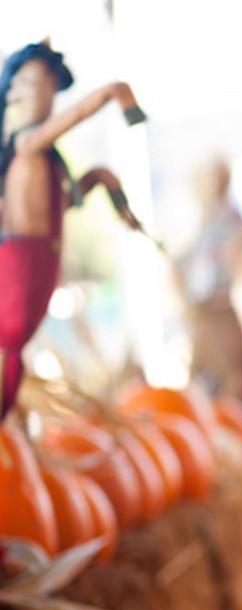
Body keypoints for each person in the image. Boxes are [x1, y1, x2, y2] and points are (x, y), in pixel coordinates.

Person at [0, 40, 146, 418]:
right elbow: (78, 114)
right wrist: (114, 94)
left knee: (13, 359)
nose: (45, 100)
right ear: (14, 94)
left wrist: (110, 188)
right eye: (34, 87)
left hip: (37, 272)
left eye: (50, 90)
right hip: (21, 274)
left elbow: (58, 206)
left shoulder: (45, 162)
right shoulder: (28, 144)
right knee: (9, 351)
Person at [177, 155, 242, 403]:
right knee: (202, 387)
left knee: (230, 386)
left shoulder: (232, 217)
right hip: (202, 314)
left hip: (219, 310)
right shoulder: (205, 219)